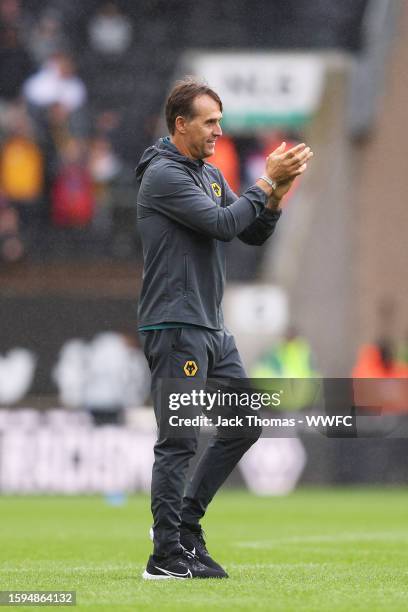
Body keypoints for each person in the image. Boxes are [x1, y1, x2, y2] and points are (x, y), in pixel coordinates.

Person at [135, 77, 313, 580]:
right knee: (180, 439)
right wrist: (262, 184)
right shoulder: (164, 176)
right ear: (180, 124)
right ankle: (164, 555)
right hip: (175, 324)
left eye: (220, 119)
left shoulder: (208, 175)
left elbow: (251, 230)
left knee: (245, 421)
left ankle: (186, 528)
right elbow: (221, 225)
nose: (219, 129)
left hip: (211, 327)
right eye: (209, 121)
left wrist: (275, 190)